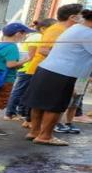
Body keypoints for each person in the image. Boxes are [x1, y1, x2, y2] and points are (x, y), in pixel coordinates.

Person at [23, 9, 92, 146]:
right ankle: (45, 136)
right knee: (54, 106)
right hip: (64, 72)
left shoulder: (76, 28)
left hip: (46, 68)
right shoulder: (88, 34)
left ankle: (35, 132)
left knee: (39, 103)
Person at [4, 18, 56, 121]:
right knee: (19, 91)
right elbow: (31, 56)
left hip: (30, 68)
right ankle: (10, 113)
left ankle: (19, 112)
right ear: (43, 28)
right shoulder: (38, 37)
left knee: (24, 92)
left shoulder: (39, 36)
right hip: (28, 68)